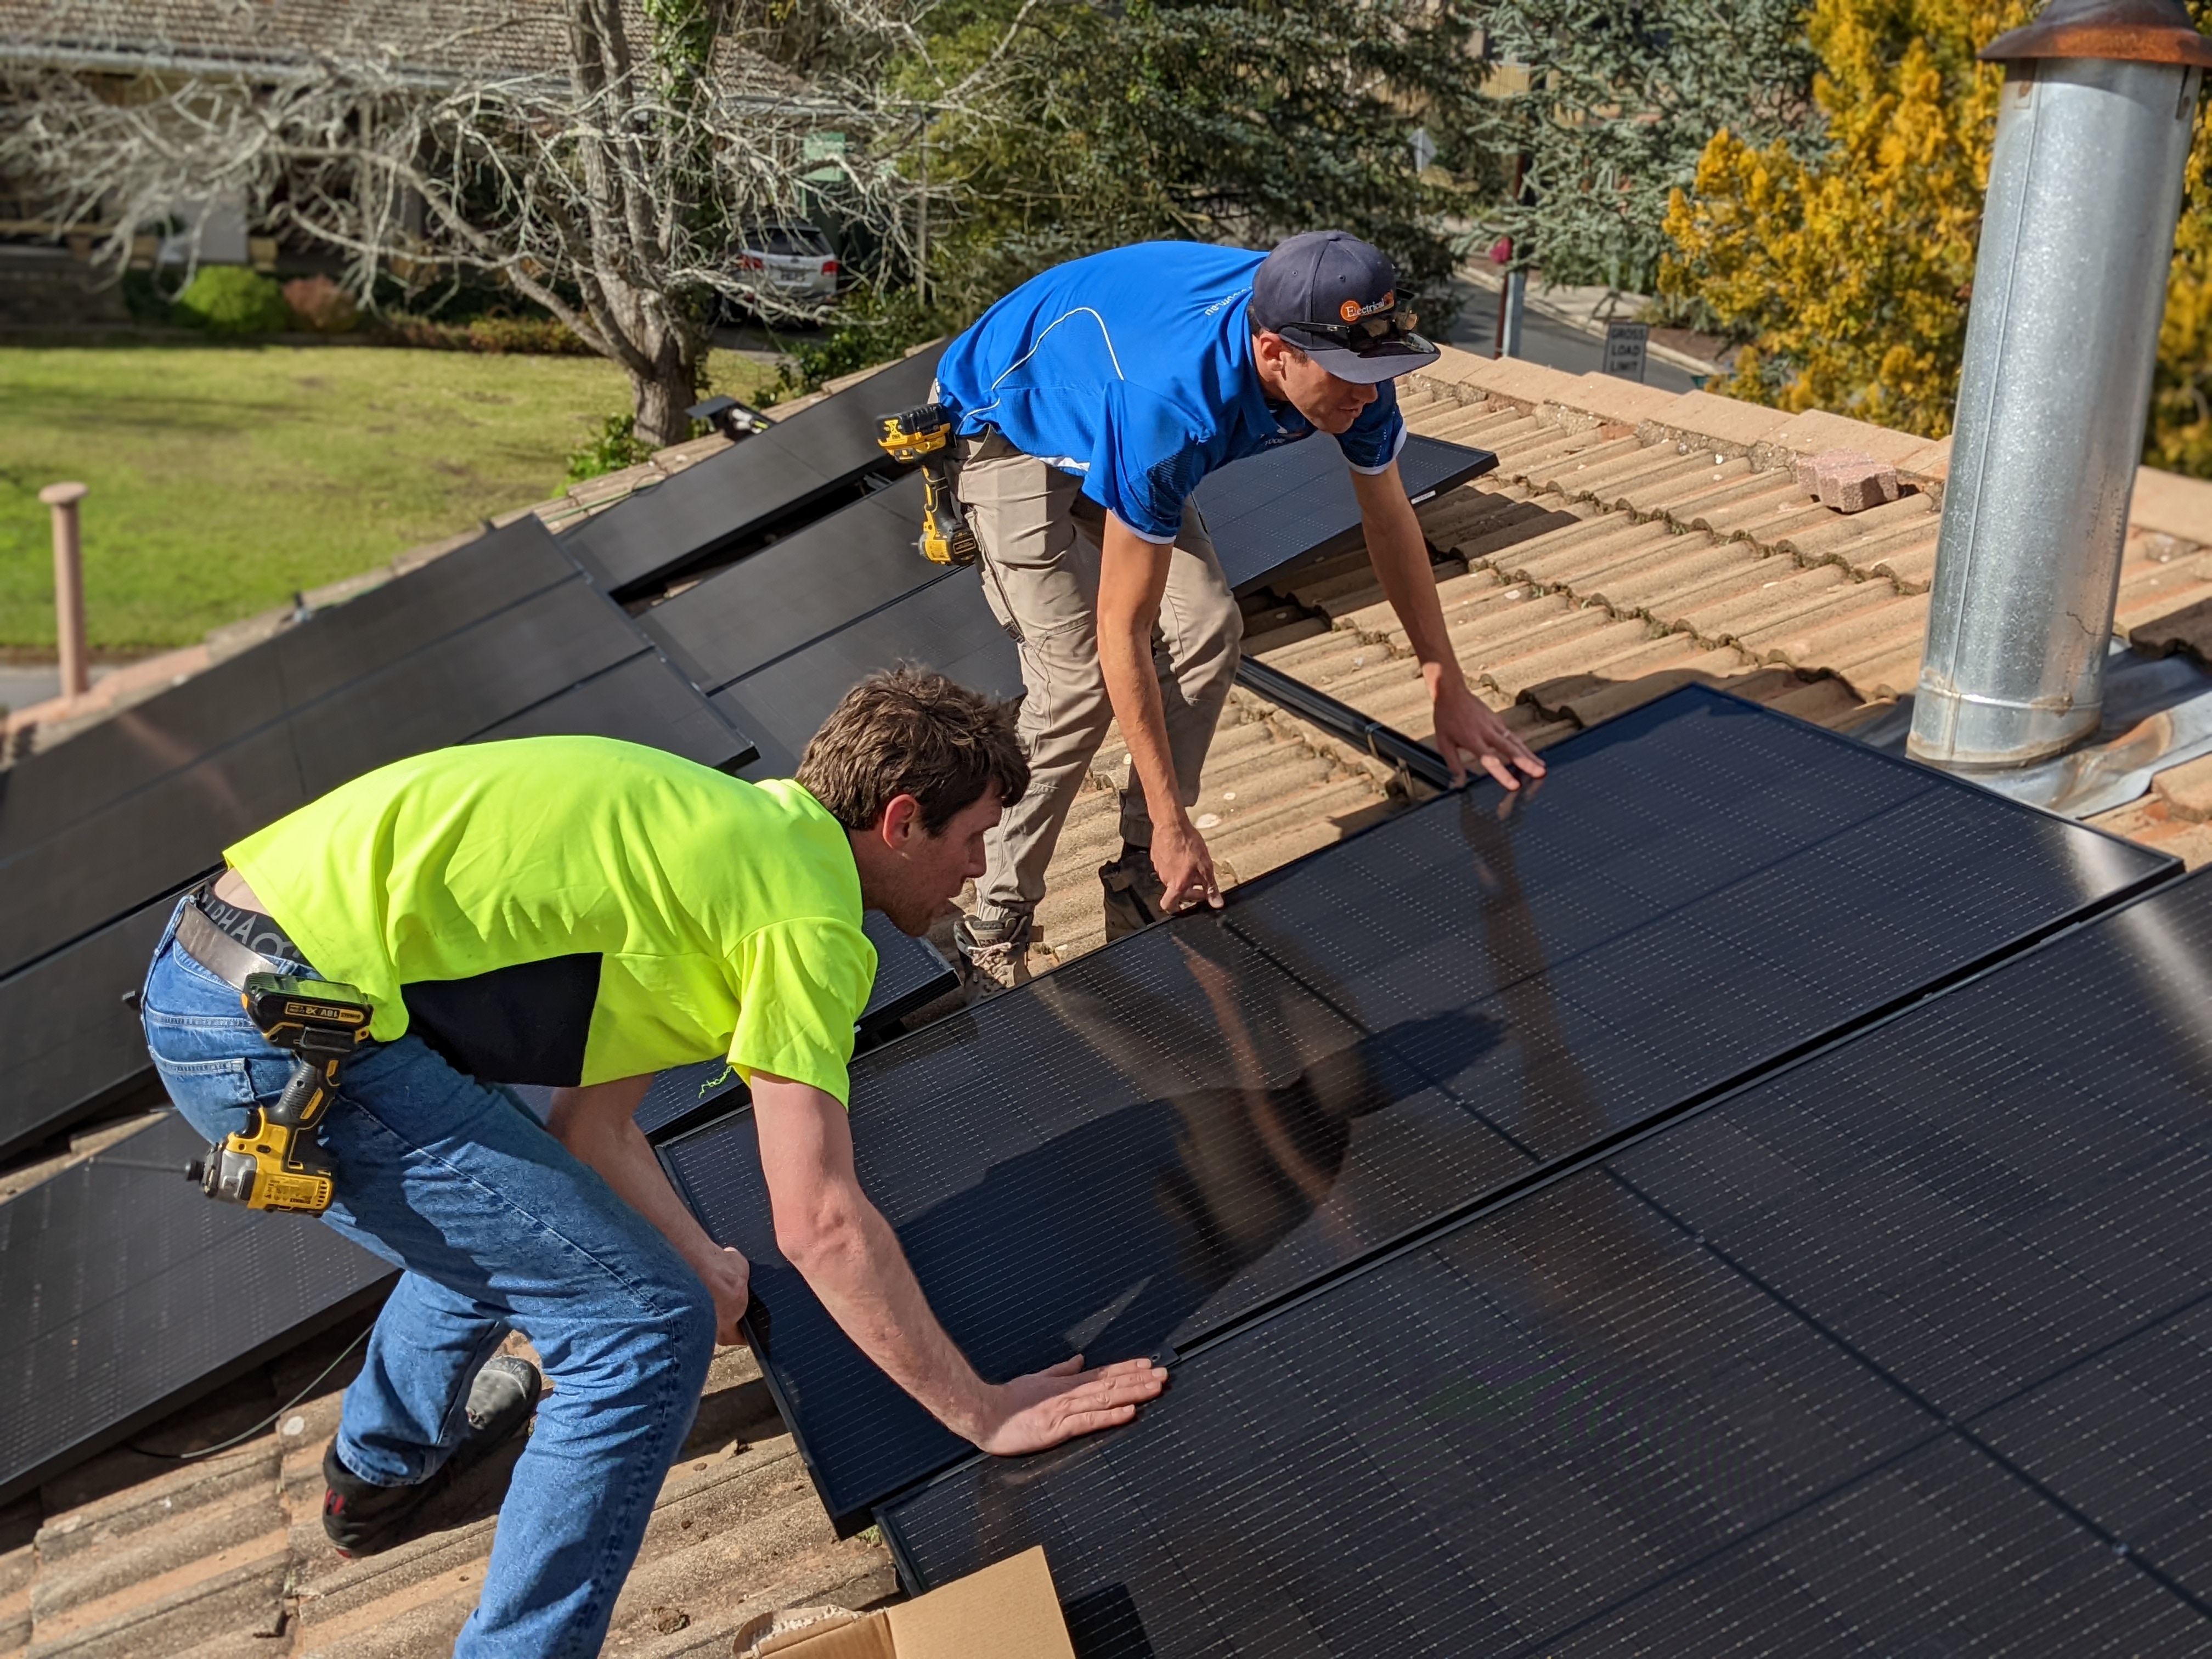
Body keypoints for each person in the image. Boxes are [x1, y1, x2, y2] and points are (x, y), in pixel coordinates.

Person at [136, 669, 1166, 1657]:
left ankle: (376, 1476)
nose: (981, 872)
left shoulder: (724, 835)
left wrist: (701, 1255)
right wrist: (982, 1411)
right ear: (900, 822)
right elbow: (821, 1223)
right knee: (639, 1323)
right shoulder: (805, 916)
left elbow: (589, 1135)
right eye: (977, 839)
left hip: (222, 964)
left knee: (526, 1215)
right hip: (279, 1026)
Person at [933, 229, 1548, 991]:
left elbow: (1391, 521)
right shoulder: (1171, 406)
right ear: (1272, 353)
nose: (1368, 393)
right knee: (1078, 683)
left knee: (1210, 629)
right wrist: (1172, 815)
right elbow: (1122, 630)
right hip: (1007, 414)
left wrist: (1443, 683)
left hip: (1111, 392)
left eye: (1377, 372)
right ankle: (993, 921)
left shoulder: (1352, 355)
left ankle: (1142, 875)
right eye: (1348, 377)